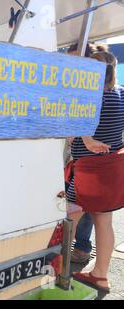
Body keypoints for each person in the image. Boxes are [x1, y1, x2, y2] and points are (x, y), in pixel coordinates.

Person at [67, 51, 124, 292]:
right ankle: (100, 275)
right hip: (111, 166)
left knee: (66, 219)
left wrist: (86, 139)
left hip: (87, 169)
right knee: (104, 221)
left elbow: (72, 131)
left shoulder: (88, 95)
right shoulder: (121, 93)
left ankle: (51, 268)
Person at [66, 43, 109, 264]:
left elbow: (77, 131)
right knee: (91, 210)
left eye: (77, 60)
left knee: (78, 208)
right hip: (88, 161)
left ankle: (76, 250)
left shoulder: (91, 93)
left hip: (89, 162)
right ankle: (81, 250)